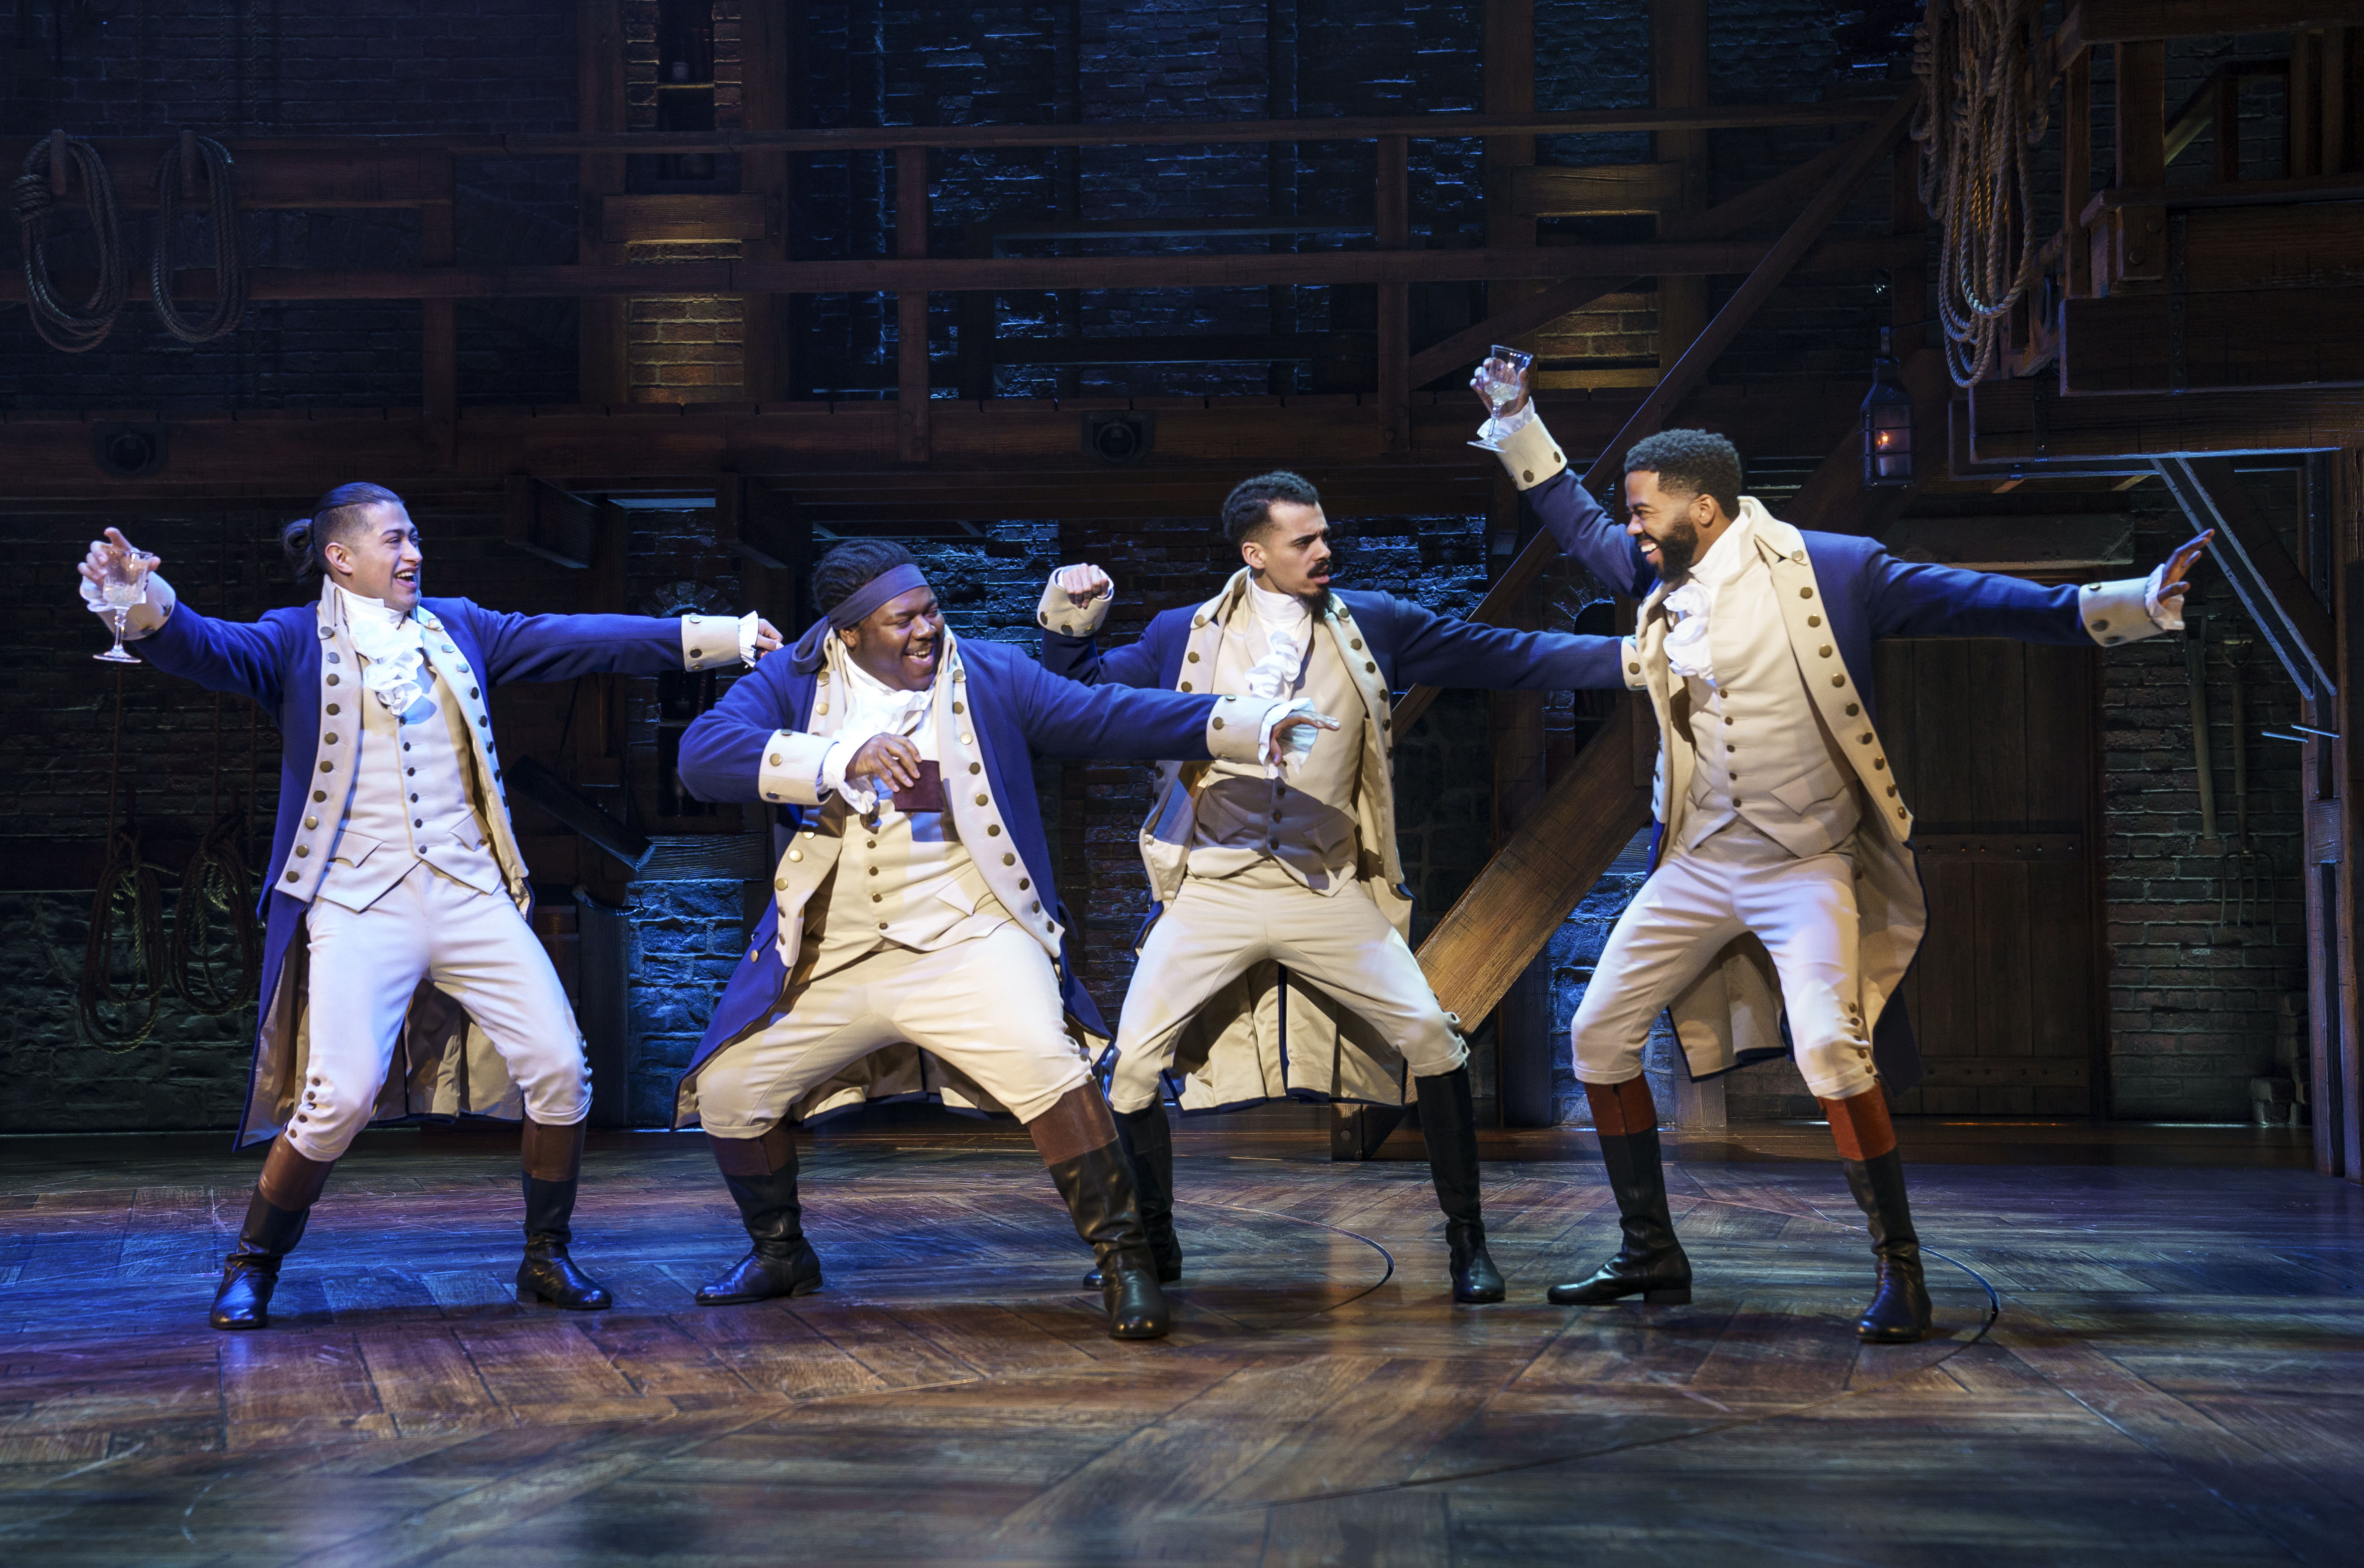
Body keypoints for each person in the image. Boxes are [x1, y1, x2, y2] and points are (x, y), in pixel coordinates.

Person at [1474, 365, 2207, 1341]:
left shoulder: (1833, 568)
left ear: (1704, 506)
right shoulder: (1658, 575)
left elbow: (1969, 600)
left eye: (1644, 511)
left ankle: (1901, 1270)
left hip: (1805, 862)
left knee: (1830, 1045)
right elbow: (1574, 523)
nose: (1632, 528)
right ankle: (1651, 1250)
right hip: (1696, 861)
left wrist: (2130, 602)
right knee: (1598, 1034)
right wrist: (1517, 418)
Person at [75, 484, 777, 1330]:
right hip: (356, 900)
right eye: (395, 540)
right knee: (340, 1097)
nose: (413, 554)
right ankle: (253, 1262)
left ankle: (545, 1255)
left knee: (562, 1068)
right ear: (340, 558)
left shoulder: (460, 626)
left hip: (470, 891)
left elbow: (577, 637)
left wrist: (720, 637)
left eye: (414, 538)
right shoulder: (293, 639)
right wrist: (140, 596)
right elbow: (201, 646)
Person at [672, 539, 1329, 1340]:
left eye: (932, 610)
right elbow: (701, 755)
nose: (927, 629)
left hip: (971, 935)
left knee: (1049, 1063)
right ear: (849, 632)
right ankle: (781, 1253)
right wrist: (839, 755)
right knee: (731, 1091)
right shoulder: (792, 682)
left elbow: (1106, 716)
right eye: (903, 620)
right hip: (837, 951)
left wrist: (1246, 723)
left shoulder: (989, 673)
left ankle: (1126, 1260)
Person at [1035, 474, 1629, 1304]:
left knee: (1432, 1038)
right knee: (1131, 1068)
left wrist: (1628, 659)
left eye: (1324, 535)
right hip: (1213, 888)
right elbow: (1084, 704)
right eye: (1303, 541)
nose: (1324, 551)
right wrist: (1070, 623)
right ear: (1255, 553)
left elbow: (1499, 653)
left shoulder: (1372, 622)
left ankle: (1468, 1242)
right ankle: (1155, 1243)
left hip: (1325, 888)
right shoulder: (1185, 635)